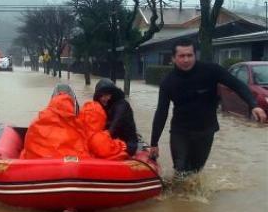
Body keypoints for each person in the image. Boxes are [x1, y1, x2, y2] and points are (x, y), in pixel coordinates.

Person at [149, 38, 267, 177]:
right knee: (180, 169)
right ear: (174, 58)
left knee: (195, 171)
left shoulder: (211, 70)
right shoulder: (168, 82)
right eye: (182, 56)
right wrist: (154, 142)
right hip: (180, 132)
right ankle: (179, 193)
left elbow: (236, 84)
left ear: (195, 55)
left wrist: (253, 105)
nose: (186, 60)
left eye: (189, 55)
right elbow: (161, 112)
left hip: (205, 131)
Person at [93, 78, 138, 156]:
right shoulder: (104, 105)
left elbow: (115, 124)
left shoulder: (122, 105)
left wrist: (100, 140)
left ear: (113, 94)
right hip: (114, 140)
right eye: (101, 96)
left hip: (127, 144)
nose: (104, 98)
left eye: (107, 95)